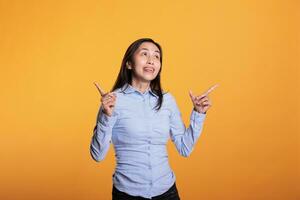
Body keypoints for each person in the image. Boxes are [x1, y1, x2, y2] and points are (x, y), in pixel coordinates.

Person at [90, 38, 218, 200]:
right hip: (127, 194)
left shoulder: (167, 100)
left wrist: (198, 114)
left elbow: (185, 148)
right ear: (129, 64)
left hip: (167, 192)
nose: (151, 60)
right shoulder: (113, 101)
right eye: (144, 54)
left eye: (156, 56)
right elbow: (98, 155)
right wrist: (105, 117)